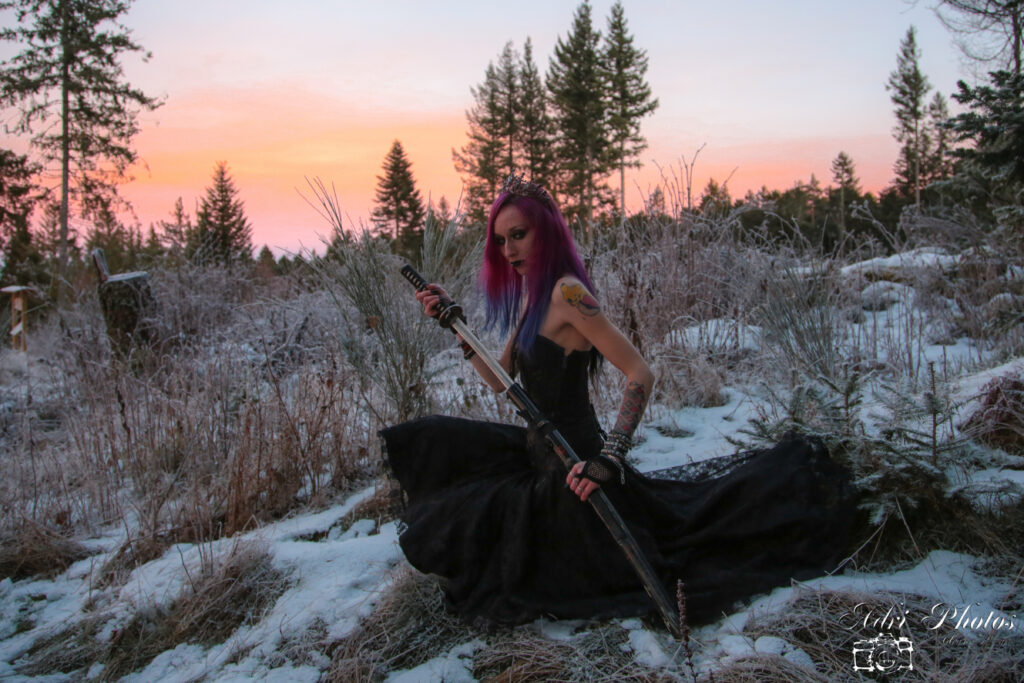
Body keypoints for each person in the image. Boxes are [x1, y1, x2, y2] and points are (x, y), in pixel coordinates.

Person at [380, 175, 858, 630]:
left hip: (577, 470)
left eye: (519, 235)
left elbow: (641, 374)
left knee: (667, 554)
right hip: (539, 459)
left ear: (544, 231)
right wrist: (455, 323)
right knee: (435, 441)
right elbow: (501, 380)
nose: (509, 251)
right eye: (501, 241)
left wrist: (608, 460)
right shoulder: (533, 296)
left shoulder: (569, 294)